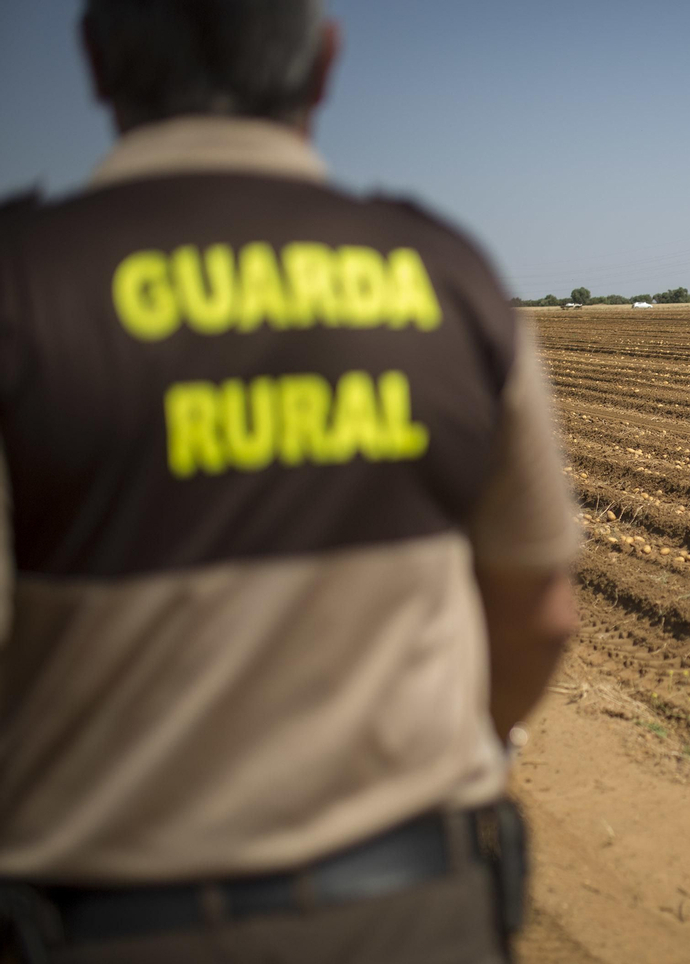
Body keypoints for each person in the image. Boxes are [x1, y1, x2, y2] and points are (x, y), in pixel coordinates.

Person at [0, 1, 582, 961]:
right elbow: (539, 614)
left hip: (99, 924)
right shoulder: (444, 273)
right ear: (325, 62)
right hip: (416, 913)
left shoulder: (25, 281)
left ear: (95, 61)